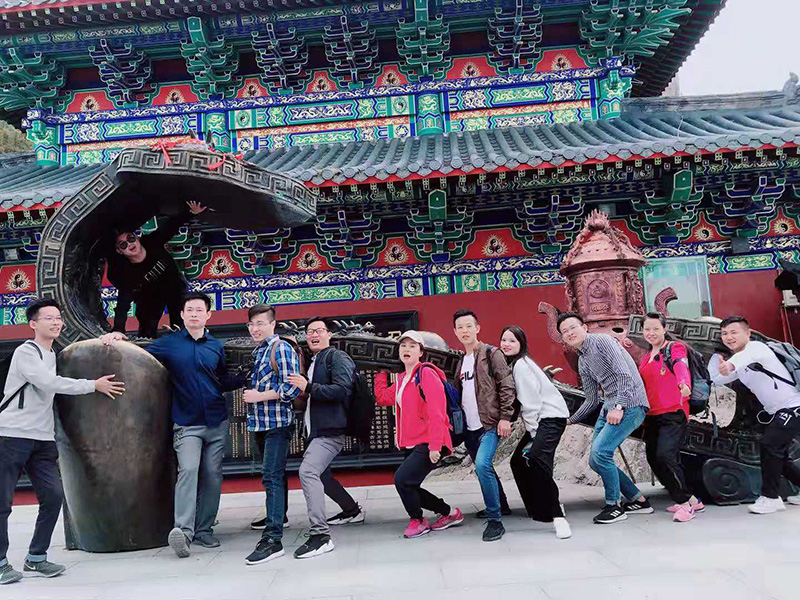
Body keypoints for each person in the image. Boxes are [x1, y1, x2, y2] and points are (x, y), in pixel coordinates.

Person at [0, 299, 124, 585]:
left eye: (58, 318)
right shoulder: (26, 352)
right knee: (2, 502)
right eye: (49, 318)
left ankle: (36, 557)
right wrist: (93, 385)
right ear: (33, 324)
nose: (56, 322)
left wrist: (111, 336)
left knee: (54, 496)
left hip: (42, 438)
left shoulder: (53, 354)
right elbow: (49, 383)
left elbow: (83, 349)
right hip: (12, 435)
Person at [109, 292, 241, 557]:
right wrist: (117, 339)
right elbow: (138, 355)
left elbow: (221, 379)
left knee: (213, 476)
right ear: (181, 314)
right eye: (189, 310)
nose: (194, 314)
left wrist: (246, 378)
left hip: (216, 420)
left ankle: (204, 530)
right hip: (187, 422)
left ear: (208, 315)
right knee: (189, 470)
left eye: (199, 310)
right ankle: (183, 531)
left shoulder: (215, 346)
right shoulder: (169, 344)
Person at [559, 313, 651, 524]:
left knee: (601, 453)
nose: (569, 333)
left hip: (631, 404)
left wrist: (619, 407)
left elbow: (624, 375)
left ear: (584, 327)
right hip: (608, 407)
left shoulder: (603, 341)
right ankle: (639, 500)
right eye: (564, 331)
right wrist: (570, 420)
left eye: (573, 327)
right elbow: (591, 399)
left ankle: (614, 506)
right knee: (595, 460)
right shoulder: (583, 360)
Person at [374, 331, 464, 538]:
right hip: (411, 442)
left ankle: (418, 520)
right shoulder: (402, 379)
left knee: (402, 480)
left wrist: (435, 446)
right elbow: (382, 397)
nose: (407, 349)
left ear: (421, 352)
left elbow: (437, 411)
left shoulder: (426, 373)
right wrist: (381, 372)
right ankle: (450, 513)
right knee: (410, 484)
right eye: (403, 345)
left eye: (412, 346)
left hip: (429, 440)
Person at [287, 318, 364, 559]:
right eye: (310, 332)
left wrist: (308, 387)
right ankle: (351, 510)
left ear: (329, 334)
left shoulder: (337, 357)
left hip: (331, 430)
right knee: (321, 474)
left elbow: (342, 390)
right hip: (317, 430)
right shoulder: (314, 361)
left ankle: (320, 536)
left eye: (319, 330)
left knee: (308, 471)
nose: (314, 335)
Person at [709, 316, 800, 514]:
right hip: (779, 411)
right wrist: (716, 358)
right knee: (777, 453)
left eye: (734, 332)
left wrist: (729, 365)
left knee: (770, 445)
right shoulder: (740, 363)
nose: (729, 337)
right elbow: (717, 378)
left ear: (748, 333)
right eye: (724, 333)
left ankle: (770, 498)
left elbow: (740, 360)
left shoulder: (757, 348)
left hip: (793, 406)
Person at [242, 304, 301, 565]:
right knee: (274, 475)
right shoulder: (259, 351)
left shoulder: (281, 348)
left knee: (271, 477)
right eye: (251, 324)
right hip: (260, 424)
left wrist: (259, 396)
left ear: (272, 324)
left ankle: (272, 539)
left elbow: (292, 388)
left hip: (277, 423)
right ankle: (279, 517)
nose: (255, 329)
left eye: (260, 323)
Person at [500, 326, 571, 539]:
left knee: (537, 459)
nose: (506, 344)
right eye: (503, 340)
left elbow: (531, 404)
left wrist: (533, 433)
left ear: (521, 344)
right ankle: (539, 509)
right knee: (518, 462)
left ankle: (557, 515)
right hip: (543, 419)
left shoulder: (521, 365)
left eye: (512, 340)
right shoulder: (517, 364)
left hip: (549, 418)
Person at [100, 201, 206, 342]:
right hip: (148, 298)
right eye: (123, 245)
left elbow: (171, 226)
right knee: (147, 332)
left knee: (181, 322)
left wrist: (191, 212)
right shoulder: (126, 272)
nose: (130, 244)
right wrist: (118, 330)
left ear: (137, 238)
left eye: (130, 239)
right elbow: (123, 303)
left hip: (173, 286)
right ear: (120, 251)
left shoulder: (152, 242)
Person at [452, 309, 516, 542]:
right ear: (455, 332)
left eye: (469, 326)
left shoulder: (491, 353)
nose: (465, 331)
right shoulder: (461, 361)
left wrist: (505, 417)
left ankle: (495, 520)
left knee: (482, 466)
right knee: (485, 468)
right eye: (460, 327)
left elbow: (507, 385)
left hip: (489, 424)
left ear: (477, 328)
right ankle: (502, 504)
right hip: (469, 427)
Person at [638, 312, 704, 523]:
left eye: (655, 328)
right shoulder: (646, 357)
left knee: (666, 456)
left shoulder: (674, 348)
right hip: (652, 415)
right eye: (647, 329)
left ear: (664, 329)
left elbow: (680, 364)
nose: (651, 333)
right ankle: (692, 499)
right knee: (653, 458)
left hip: (673, 411)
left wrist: (684, 383)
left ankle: (685, 504)